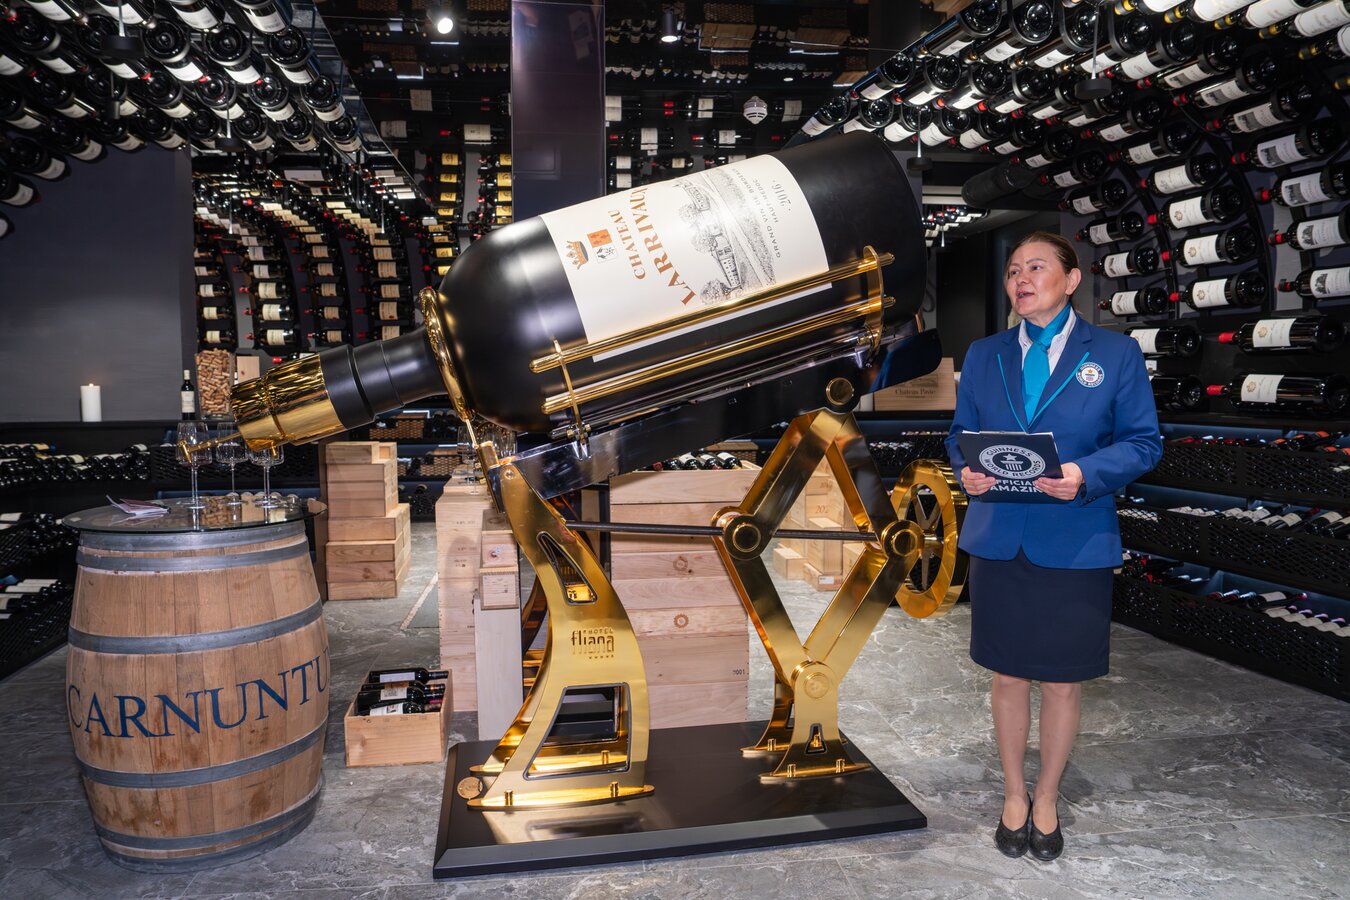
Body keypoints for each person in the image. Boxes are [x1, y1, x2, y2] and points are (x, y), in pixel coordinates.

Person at [944, 231, 1162, 861]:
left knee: (1063, 682)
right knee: (1008, 673)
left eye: (1036, 267)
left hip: (1076, 538)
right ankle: (1014, 794)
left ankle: (1046, 797)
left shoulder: (1116, 354)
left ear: (1071, 280)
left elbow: (1144, 443)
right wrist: (966, 470)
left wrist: (1084, 474)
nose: (1021, 279)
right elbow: (960, 434)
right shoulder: (984, 354)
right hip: (999, 535)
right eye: (1013, 270)